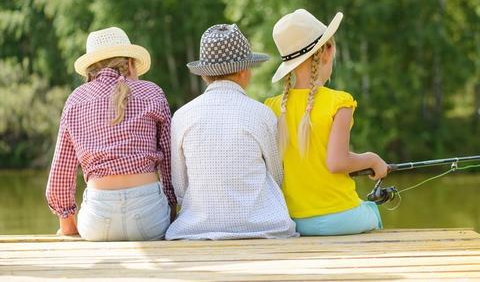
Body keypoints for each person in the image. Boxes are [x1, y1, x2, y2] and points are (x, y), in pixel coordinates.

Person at [165, 24, 297, 240]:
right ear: (244, 71)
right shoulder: (261, 114)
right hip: (262, 226)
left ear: (204, 75)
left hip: (196, 229)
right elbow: (277, 176)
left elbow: (180, 187)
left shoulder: (182, 116)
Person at [264, 9, 388, 236]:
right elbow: (337, 162)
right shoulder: (340, 102)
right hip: (341, 217)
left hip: (293, 221)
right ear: (327, 52)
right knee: (372, 211)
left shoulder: (271, 107)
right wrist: (372, 159)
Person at [45, 27, 176, 241]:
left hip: (97, 221)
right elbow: (170, 164)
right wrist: (171, 210)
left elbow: (61, 173)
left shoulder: (76, 100)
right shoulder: (153, 92)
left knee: (67, 231)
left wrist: (67, 224)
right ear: (131, 64)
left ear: (89, 72)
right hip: (149, 216)